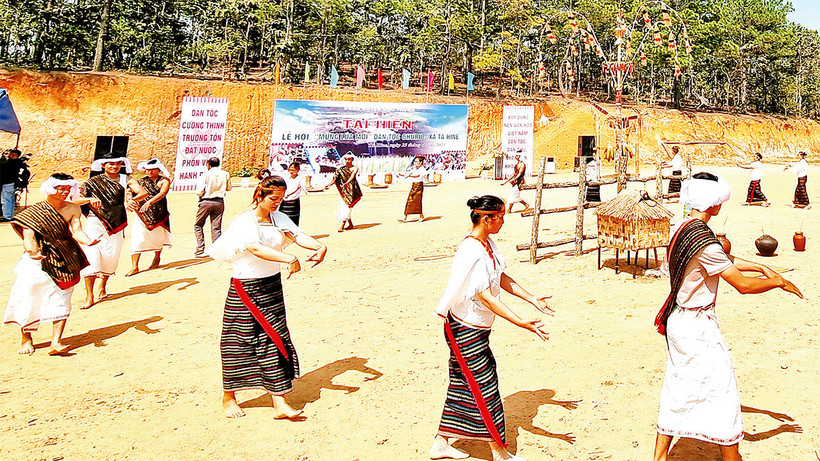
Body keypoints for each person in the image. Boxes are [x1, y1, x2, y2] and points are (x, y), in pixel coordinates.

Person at [652, 172, 802, 461]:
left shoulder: (682, 228)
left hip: (679, 322)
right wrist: (778, 282)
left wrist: (759, 267)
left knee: (678, 385)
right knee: (722, 390)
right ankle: (731, 457)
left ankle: (659, 457)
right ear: (715, 203)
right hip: (697, 327)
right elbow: (742, 286)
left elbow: (720, 260)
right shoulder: (704, 240)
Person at [431, 195, 554, 461]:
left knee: (464, 384)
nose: (502, 223)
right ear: (487, 219)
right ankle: (499, 451)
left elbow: (500, 277)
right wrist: (520, 321)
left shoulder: (488, 243)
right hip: (464, 329)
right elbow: (485, 295)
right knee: (485, 386)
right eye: (500, 218)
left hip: (477, 327)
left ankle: (441, 443)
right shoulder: (471, 250)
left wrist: (530, 297)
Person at [206, 176, 328, 419]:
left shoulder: (279, 218)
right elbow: (254, 248)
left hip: (271, 287)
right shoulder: (245, 222)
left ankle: (279, 401)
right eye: (273, 198)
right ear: (259, 196)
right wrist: (289, 259)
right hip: (245, 288)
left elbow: (297, 236)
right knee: (237, 341)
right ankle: (228, 396)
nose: (277, 203)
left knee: (274, 339)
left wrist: (320, 247)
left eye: (281, 199)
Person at [4, 173, 100, 355]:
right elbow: (29, 238)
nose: (64, 192)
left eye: (67, 188)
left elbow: (77, 231)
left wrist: (88, 241)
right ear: (49, 188)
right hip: (36, 261)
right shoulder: (32, 213)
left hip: (65, 257)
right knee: (29, 297)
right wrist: (34, 253)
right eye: (60, 188)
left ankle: (56, 341)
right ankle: (26, 338)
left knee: (62, 297)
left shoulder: (73, 209)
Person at [77, 157, 147, 309]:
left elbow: (142, 192)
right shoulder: (92, 182)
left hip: (116, 223)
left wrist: (130, 199)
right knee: (92, 256)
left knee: (111, 257)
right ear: (103, 165)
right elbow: (76, 199)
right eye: (111, 164)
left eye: (117, 164)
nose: (114, 166)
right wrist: (90, 199)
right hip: (95, 221)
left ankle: (102, 286)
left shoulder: (126, 179)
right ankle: (89, 295)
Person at [127, 158, 172, 276]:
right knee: (138, 237)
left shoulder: (164, 180)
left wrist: (149, 202)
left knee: (158, 237)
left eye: (152, 170)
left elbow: (162, 193)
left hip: (158, 212)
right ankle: (135, 266)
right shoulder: (141, 182)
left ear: (158, 170)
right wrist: (129, 199)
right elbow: (130, 191)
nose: (150, 172)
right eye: (147, 170)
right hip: (142, 213)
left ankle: (157, 257)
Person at [195, 157, 232, 258]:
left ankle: (200, 249)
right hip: (219, 201)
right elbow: (229, 188)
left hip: (206, 201)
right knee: (216, 227)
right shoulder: (225, 174)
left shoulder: (205, 175)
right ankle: (217, 250)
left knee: (198, 225)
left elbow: (199, 191)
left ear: (208, 164)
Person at [324, 152, 362, 232]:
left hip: (352, 190)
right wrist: (329, 185)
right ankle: (350, 224)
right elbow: (335, 179)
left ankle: (342, 225)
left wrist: (347, 183)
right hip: (344, 191)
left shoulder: (355, 168)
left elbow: (352, 176)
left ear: (352, 160)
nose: (347, 161)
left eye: (349, 159)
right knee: (344, 206)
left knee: (348, 207)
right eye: (346, 159)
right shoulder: (340, 169)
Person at [398, 156, 427, 222]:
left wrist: (409, 176)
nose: (415, 162)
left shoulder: (422, 169)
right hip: (414, 185)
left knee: (417, 201)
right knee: (410, 200)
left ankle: (421, 216)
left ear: (421, 162)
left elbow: (417, 176)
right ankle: (405, 217)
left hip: (419, 186)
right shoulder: (415, 169)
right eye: (415, 161)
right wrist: (400, 174)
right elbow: (408, 173)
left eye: (417, 161)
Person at [0, 149, 25, 221]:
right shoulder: (17, 163)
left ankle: (7, 216)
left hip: (8, 183)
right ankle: (9, 215)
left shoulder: (13, 163)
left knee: (6, 200)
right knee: (10, 200)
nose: (10, 156)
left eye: (12, 155)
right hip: (10, 183)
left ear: (16, 156)